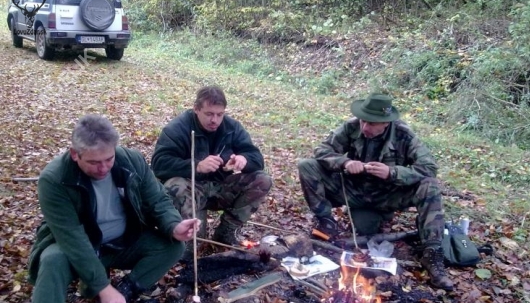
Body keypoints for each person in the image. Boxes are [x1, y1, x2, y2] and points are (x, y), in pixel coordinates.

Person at [21, 115, 200, 303]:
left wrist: (174, 225)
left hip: (124, 240)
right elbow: (72, 239)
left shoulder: (131, 160)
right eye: (94, 162)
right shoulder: (54, 179)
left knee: (172, 246)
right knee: (52, 260)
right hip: (80, 245)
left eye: (109, 159)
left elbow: (157, 200)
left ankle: (117, 301)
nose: (104, 168)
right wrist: (103, 287)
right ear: (75, 154)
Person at [297, 93, 453, 290]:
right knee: (306, 166)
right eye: (363, 121)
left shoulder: (403, 135)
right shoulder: (351, 127)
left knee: (429, 185)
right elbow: (322, 151)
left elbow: (429, 167)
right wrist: (345, 162)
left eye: (371, 124)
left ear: (385, 123)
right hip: (353, 191)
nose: (365, 127)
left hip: (388, 195)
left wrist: (393, 173)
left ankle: (432, 252)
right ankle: (326, 222)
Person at [151, 85, 272, 246]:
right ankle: (187, 235)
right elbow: (159, 163)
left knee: (262, 179)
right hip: (191, 190)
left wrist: (244, 159)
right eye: (209, 114)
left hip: (221, 187)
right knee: (194, 243)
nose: (214, 120)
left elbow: (257, 158)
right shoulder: (178, 128)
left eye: (219, 114)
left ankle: (227, 230)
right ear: (196, 109)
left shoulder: (231, 128)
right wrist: (196, 166)